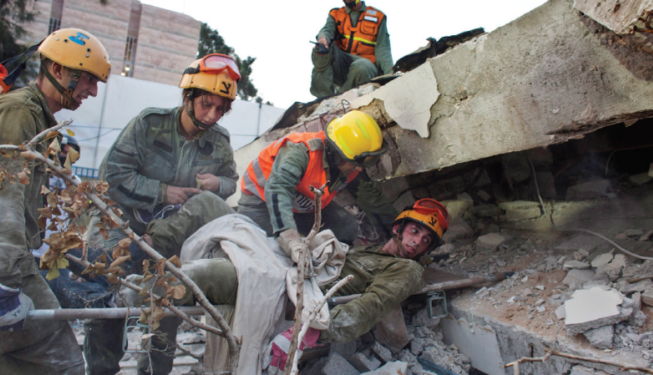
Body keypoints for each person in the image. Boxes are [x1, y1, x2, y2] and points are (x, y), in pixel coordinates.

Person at [0, 28, 110, 375]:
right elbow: (0, 201)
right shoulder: (19, 114)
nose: (93, 92)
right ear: (57, 71)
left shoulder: (36, 119)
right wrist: (6, 280)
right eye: (87, 80)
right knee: (60, 366)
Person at [80, 53, 241, 375]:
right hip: (122, 219)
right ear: (188, 98)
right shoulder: (149, 123)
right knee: (106, 298)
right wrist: (162, 191)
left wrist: (217, 183)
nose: (212, 115)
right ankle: (101, 368)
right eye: (206, 105)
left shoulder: (220, 141)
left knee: (165, 304)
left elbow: (231, 181)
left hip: (173, 228)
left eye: (221, 109)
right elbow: (111, 176)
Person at [267, 198, 450, 371]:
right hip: (289, 271)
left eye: (426, 241)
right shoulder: (366, 250)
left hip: (293, 296)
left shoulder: (408, 269)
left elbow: (374, 304)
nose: (417, 242)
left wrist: (306, 333)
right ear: (397, 229)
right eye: (415, 231)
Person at [238, 110, 398, 261]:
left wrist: (397, 232)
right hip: (261, 204)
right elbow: (278, 190)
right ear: (338, 153)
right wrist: (289, 237)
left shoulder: (352, 163)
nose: (359, 168)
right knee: (276, 254)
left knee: (347, 228)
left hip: (301, 208)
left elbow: (370, 197)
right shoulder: (299, 152)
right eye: (356, 163)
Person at [310, 0, 393, 98]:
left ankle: (342, 98)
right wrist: (323, 38)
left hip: (365, 68)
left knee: (362, 66)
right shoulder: (336, 14)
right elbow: (327, 30)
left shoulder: (378, 17)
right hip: (342, 64)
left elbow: (383, 50)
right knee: (320, 51)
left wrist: (391, 76)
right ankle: (323, 99)